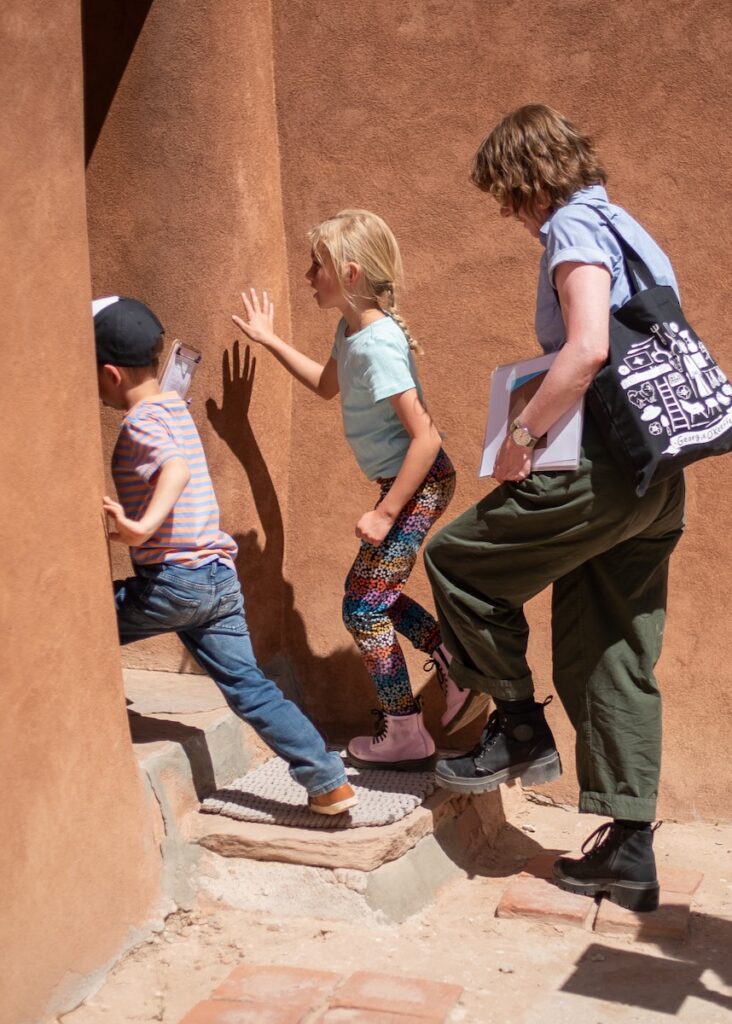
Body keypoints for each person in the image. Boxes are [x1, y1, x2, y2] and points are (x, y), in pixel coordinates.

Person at [424, 105, 685, 912]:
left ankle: (515, 724)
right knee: (609, 651)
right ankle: (629, 850)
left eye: (508, 195)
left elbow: (587, 350)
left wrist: (521, 440)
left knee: (457, 562)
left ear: (531, 176)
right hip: (658, 472)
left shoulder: (572, 228)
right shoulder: (628, 225)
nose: (509, 214)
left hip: (600, 465)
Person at [232, 209, 487, 770]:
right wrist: (270, 340)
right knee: (369, 595)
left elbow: (426, 437)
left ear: (348, 273)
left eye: (315, 266)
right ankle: (454, 666)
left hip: (418, 484)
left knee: (362, 608)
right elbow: (327, 386)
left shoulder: (376, 345)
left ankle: (406, 730)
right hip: (407, 485)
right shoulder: (351, 330)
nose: (307, 277)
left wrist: (386, 511)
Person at [94, 295, 356, 816]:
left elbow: (176, 470)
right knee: (249, 686)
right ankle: (327, 780)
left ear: (110, 374)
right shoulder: (172, 404)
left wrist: (139, 527)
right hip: (217, 581)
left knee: (85, 620)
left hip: (174, 582)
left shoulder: (142, 423)